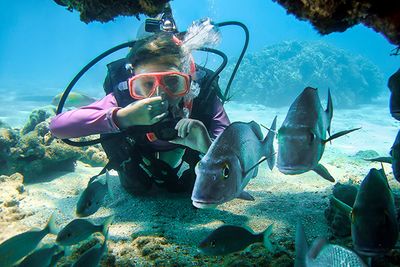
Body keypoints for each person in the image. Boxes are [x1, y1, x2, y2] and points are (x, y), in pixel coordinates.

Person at [50, 32, 230, 195]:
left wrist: (209, 148)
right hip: (138, 146)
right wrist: (123, 117)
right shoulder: (124, 98)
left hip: (184, 149)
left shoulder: (203, 97)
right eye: (147, 83)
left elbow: (244, 164)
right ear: (132, 84)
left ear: (189, 81)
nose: (160, 95)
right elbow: (58, 127)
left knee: (197, 189)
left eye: (173, 82)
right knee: (136, 187)